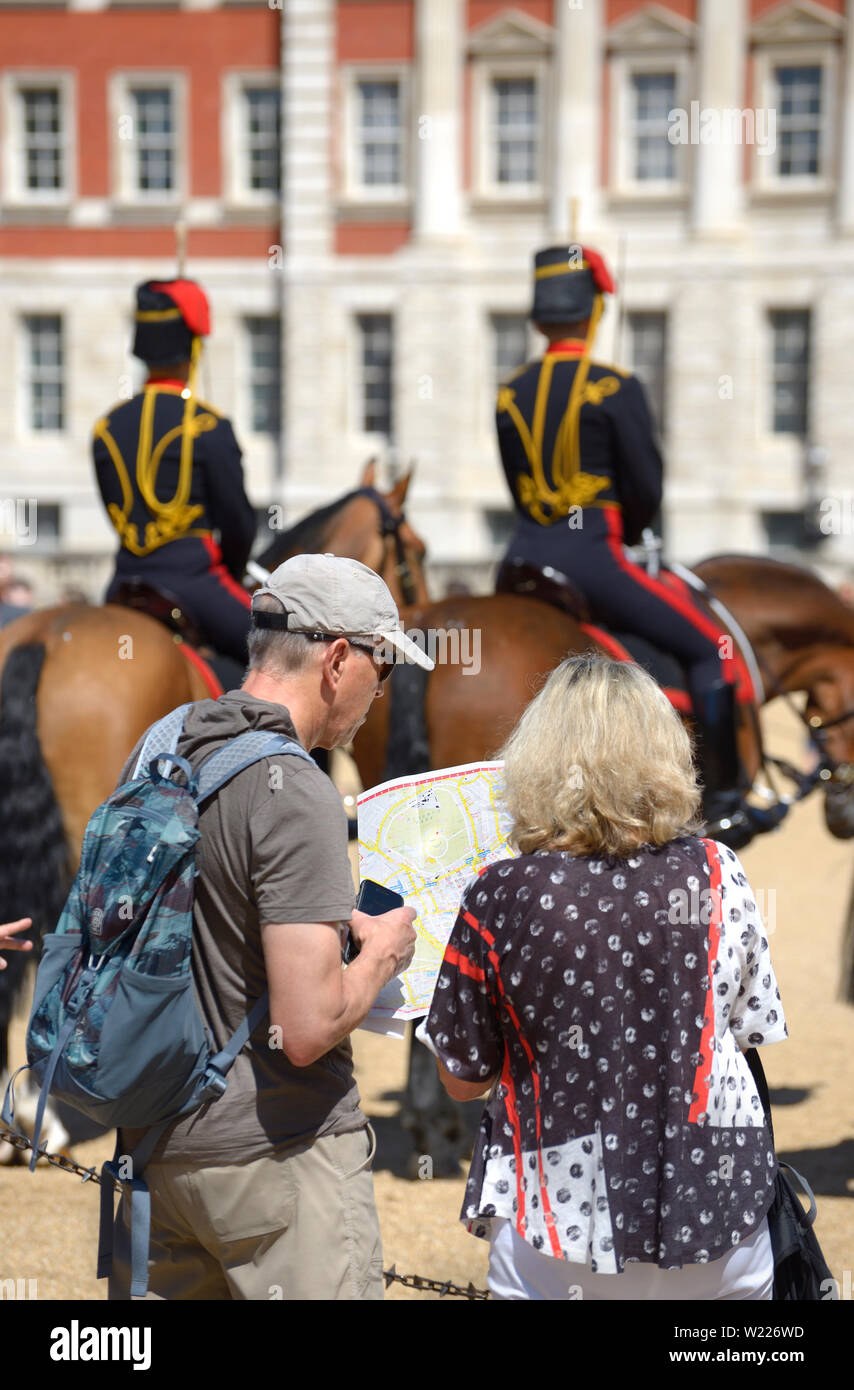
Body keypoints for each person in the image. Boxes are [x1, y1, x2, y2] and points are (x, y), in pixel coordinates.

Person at [108, 553, 432, 1300]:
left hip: (152, 1150)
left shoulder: (162, 744)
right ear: (339, 658)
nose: (382, 693)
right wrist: (380, 953)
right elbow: (310, 1025)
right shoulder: (299, 790)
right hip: (277, 1161)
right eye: (382, 669)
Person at [424, 653, 787, 1301]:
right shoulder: (717, 869)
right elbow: (751, 1028)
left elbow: (461, 1078)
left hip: (558, 1217)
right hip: (717, 1200)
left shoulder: (500, 893)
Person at [496, 244, 756, 844]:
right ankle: (723, 800)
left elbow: (516, 487)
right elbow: (644, 486)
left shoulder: (510, 392)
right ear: (593, 314)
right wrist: (636, 531)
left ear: (539, 319)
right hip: (594, 560)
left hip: (519, 560)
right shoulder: (614, 386)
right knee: (707, 649)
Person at [93, 278, 257, 665]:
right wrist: (232, 572)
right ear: (193, 348)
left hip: (123, 586)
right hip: (195, 581)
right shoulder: (208, 426)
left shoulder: (106, 429)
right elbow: (238, 527)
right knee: (285, 652)